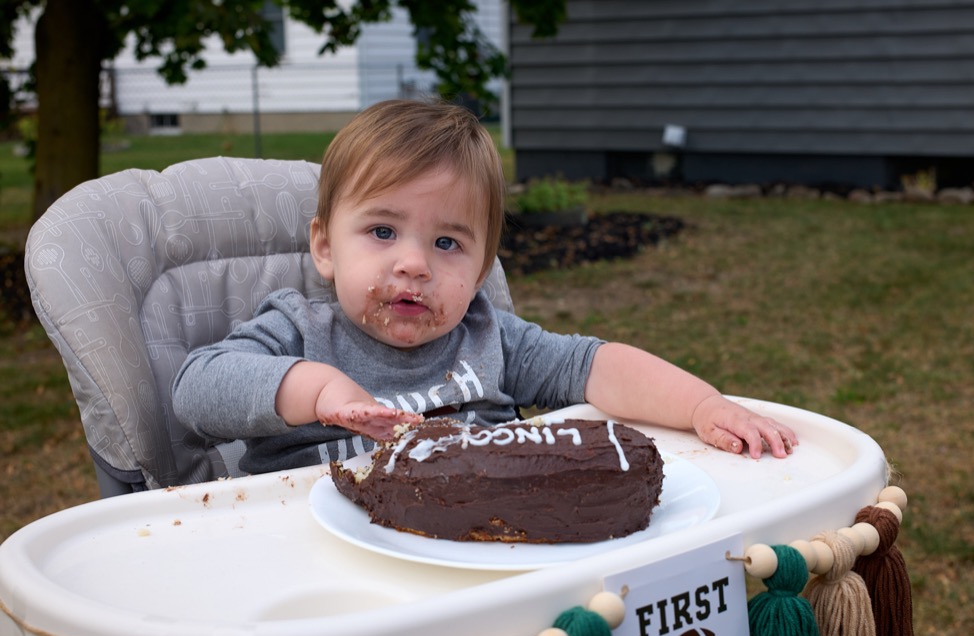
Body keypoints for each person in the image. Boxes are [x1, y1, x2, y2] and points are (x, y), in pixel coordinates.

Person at [172, 99, 797, 475]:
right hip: (315, 557)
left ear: (481, 267)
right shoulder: (297, 331)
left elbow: (597, 365)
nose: (415, 264)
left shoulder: (490, 335)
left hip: (481, 552)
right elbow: (196, 389)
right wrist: (315, 388)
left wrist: (702, 406)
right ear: (326, 247)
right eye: (383, 231)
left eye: (447, 244)